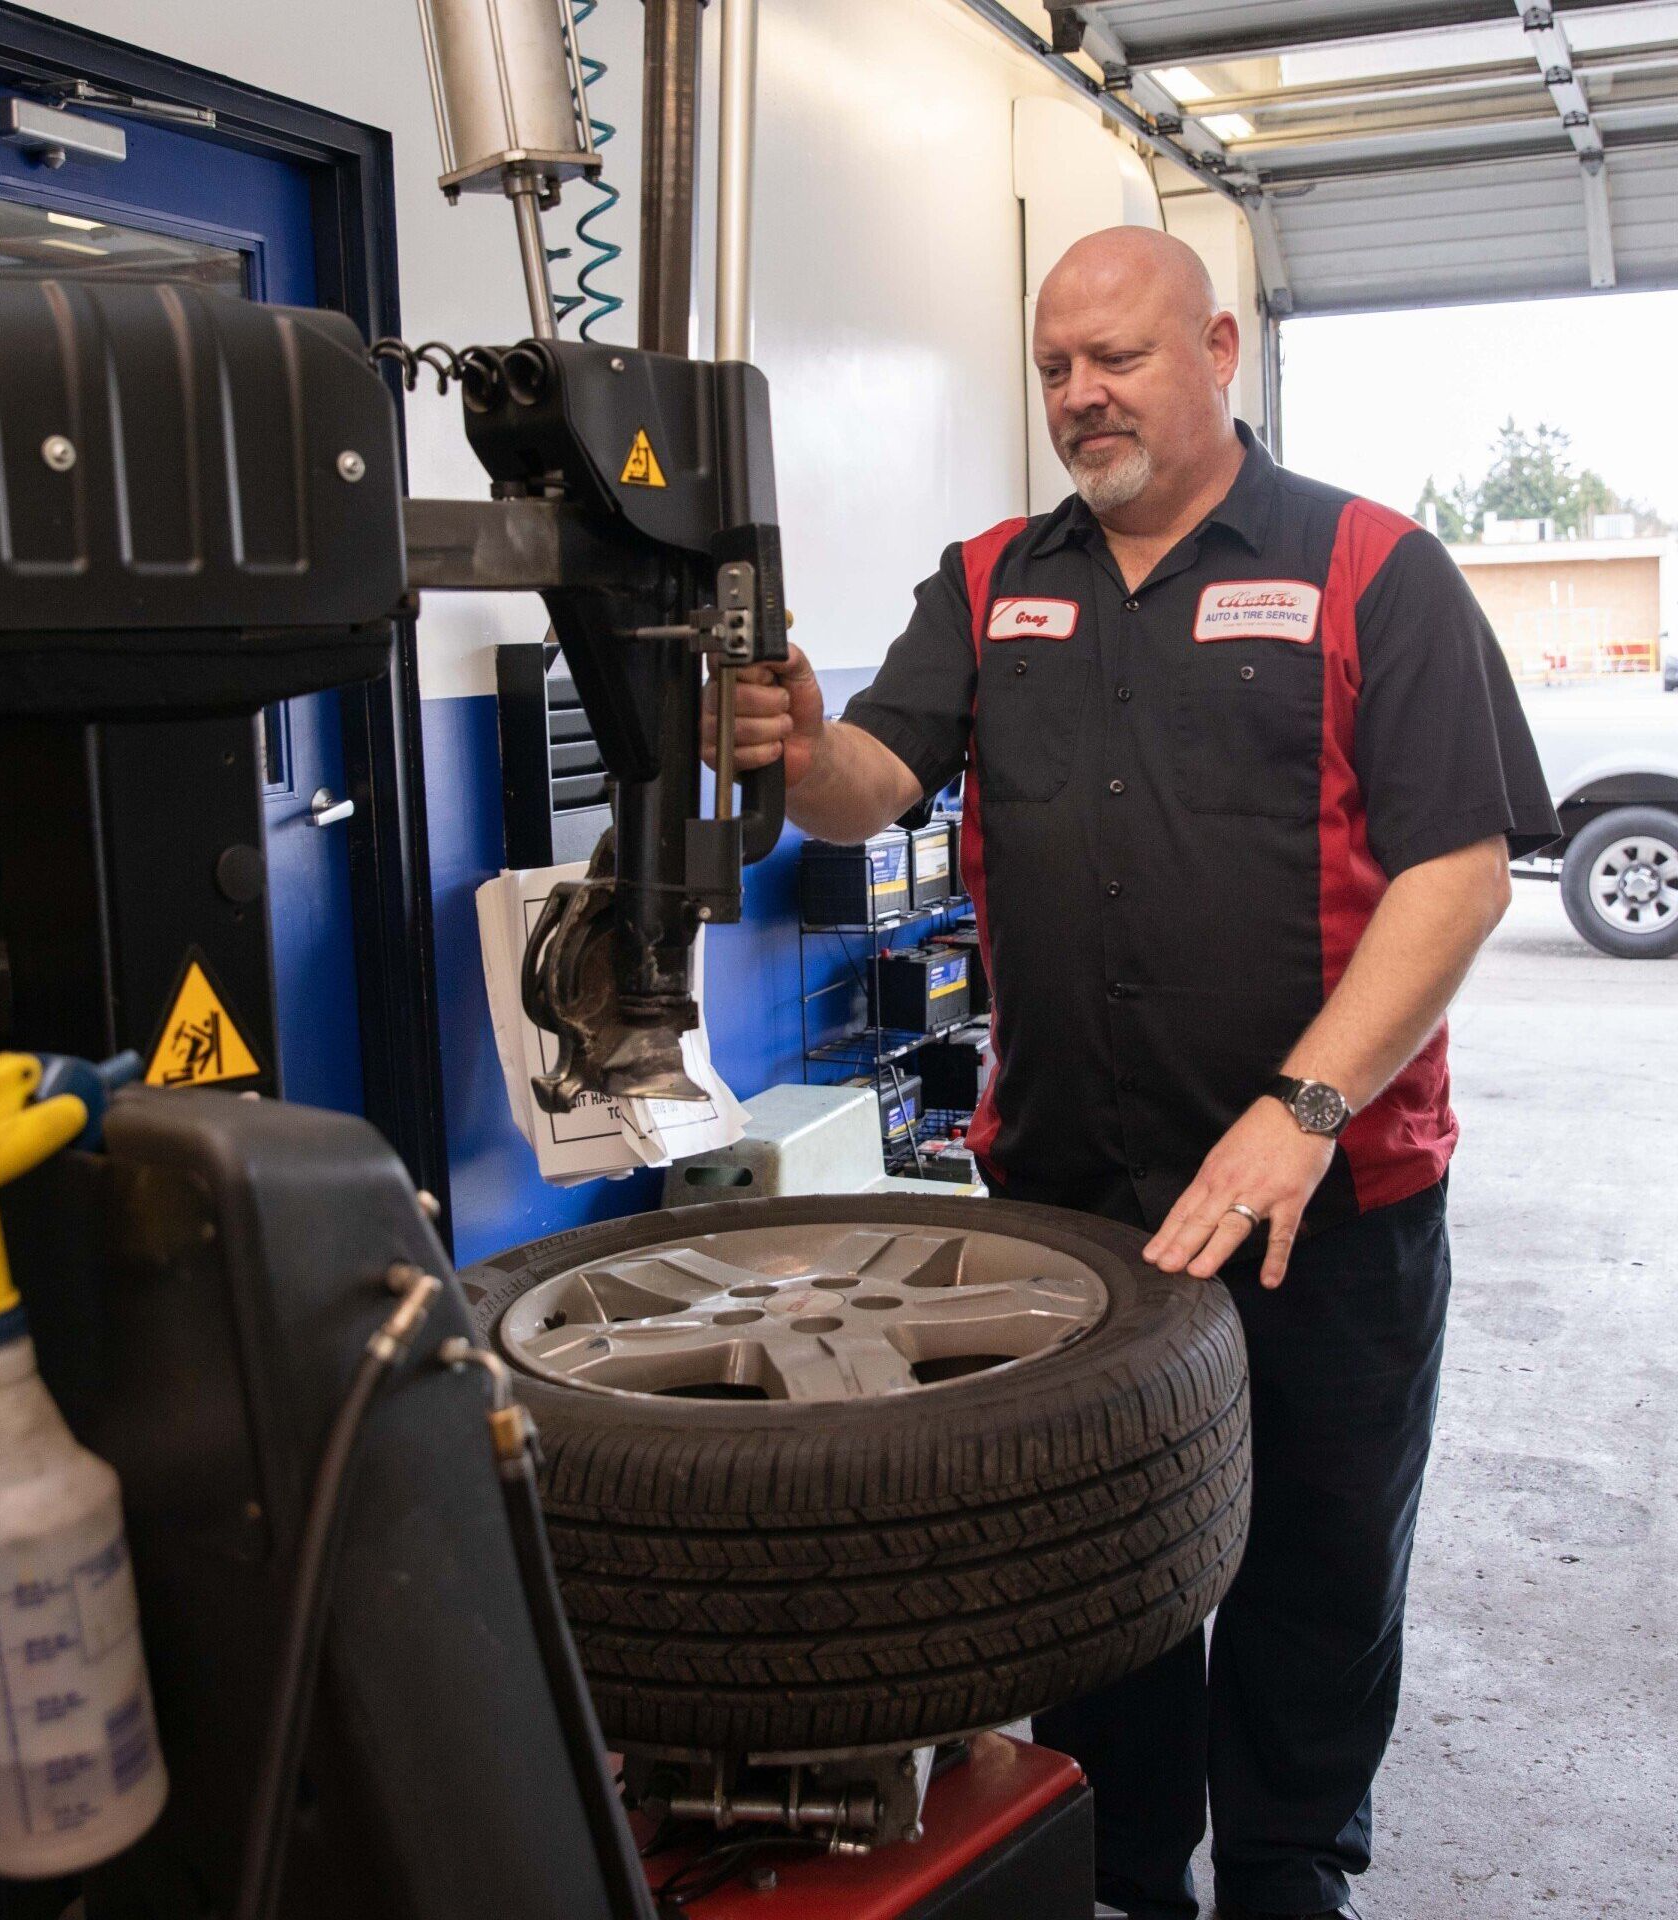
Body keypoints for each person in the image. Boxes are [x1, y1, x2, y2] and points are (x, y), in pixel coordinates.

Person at [701, 226, 1559, 1920]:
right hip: (1076, 1201)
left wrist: (1303, 1109)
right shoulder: (991, 575)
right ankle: (1120, 1858)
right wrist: (800, 753)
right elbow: (875, 783)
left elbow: (1457, 873)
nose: (1082, 396)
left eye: (1121, 358)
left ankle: (1291, 1859)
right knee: (1099, 1558)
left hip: (1330, 1197)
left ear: (1219, 349)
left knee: (1316, 1553)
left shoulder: (1376, 569)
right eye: (1054, 369)